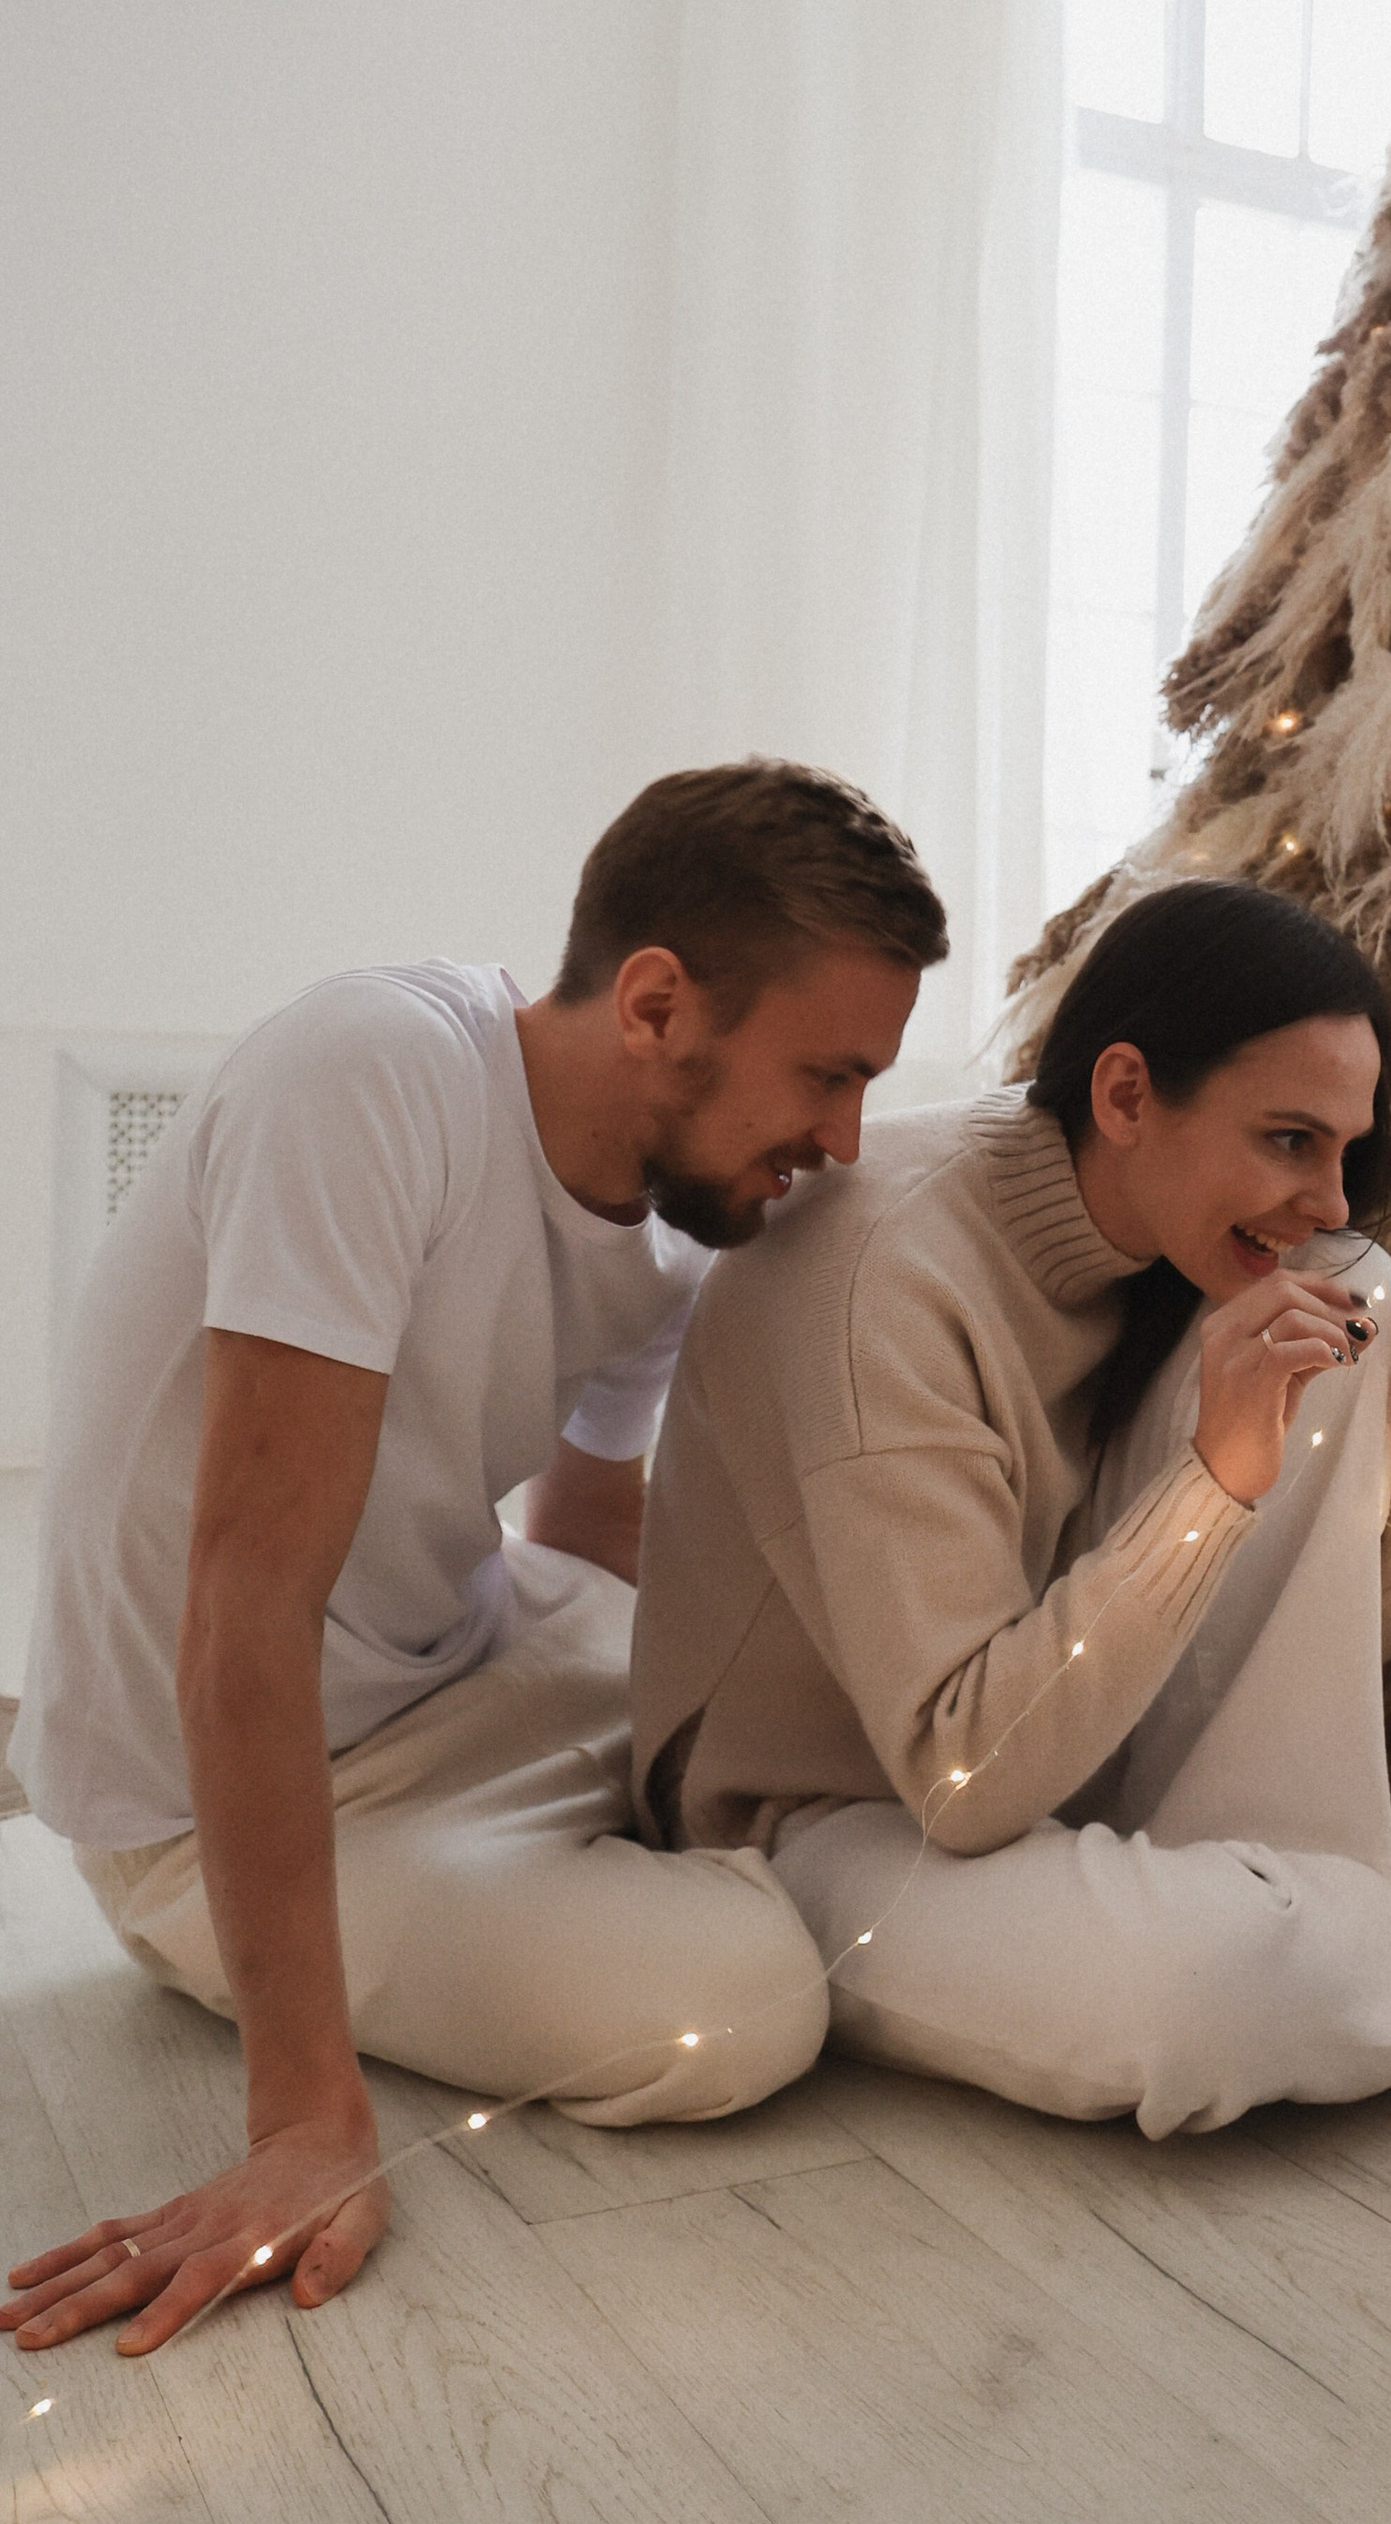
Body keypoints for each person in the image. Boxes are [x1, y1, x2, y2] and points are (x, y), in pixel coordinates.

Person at [4, 761, 943, 2361]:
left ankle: (611, 1865)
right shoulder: (374, 1076)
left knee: (817, 1727)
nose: (844, 1140)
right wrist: (303, 2117)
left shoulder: (671, 1218)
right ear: (655, 1003)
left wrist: (688, 1741)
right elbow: (248, 1600)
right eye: (826, 1075)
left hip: (472, 1653)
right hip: (212, 1782)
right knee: (739, 2011)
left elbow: (586, 1532)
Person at [633, 880, 1391, 2135]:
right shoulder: (882, 1274)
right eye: (1290, 1141)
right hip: (826, 1821)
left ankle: (1326, 1901)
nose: (1333, 1199)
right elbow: (963, 1778)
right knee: (1212, 1996)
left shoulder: (1189, 1252)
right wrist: (1215, 1482)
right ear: (1124, 1095)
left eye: (1346, 1149)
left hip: (1061, 1760)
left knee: (1356, 1301)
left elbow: (1303, 1646)